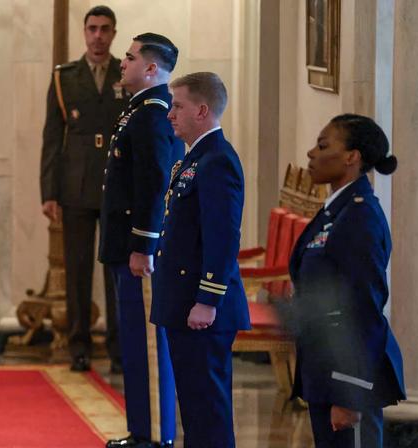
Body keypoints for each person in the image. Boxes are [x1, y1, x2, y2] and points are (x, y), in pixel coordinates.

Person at [288, 114, 405, 447]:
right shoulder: (335, 212)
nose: (311, 153)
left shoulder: (359, 217)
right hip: (325, 369)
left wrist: (350, 392)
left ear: (352, 157)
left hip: (347, 378)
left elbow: (363, 308)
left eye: (323, 146)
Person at [153, 72, 250, 447]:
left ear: (203, 109)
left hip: (203, 310)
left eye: (177, 106)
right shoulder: (195, 158)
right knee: (194, 407)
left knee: (207, 409)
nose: (170, 115)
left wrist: (207, 299)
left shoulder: (217, 161)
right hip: (184, 302)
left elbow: (222, 236)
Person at [98, 33, 184, 448]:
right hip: (125, 245)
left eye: (130, 58)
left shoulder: (152, 115)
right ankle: (141, 431)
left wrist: (143, 245)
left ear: (151, 69)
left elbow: (154, 183)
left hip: (138, 251)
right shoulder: (138, 111)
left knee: (149, 346)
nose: (123, 62)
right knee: (133, 341)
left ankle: (155, 436)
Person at [40, 5, 127, 372]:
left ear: (113, 33)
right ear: (84, 32)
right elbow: (51, 137)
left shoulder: (127, 73)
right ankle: (79, 348)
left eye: (105, 29)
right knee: (77, 271)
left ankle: (120, 350)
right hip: (75, 187)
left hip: (116, 187)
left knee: (116, 271)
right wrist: (48, 192)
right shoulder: (65, 77)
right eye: (92, 28)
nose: (98, 36)